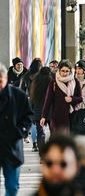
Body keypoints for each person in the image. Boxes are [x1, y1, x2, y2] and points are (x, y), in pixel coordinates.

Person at [0, 63, 33, 196]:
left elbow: (28, 116)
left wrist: (20, 132)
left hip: (11, 147)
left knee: (12, 187)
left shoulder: (18, 95)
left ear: (6, 78)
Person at [40, 60, 83, 133]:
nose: (65, 73)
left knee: (70, 141)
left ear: (70, 71)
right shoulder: (54, 83)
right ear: (59, 70)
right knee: (58, 141)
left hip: (72, 116)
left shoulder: (75, 81)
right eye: (63, 71)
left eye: (67, 71)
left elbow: (80, 98)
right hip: (57, 117)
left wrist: (72, 99)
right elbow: (48, 100)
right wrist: (43, 116)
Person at [29, 67, 52, 154]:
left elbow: (32, 100)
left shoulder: (35, 84)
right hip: (50, 111)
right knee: (52, 132)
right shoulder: (51, 83)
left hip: (38, 112)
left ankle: (42, 155)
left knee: (40, 134)